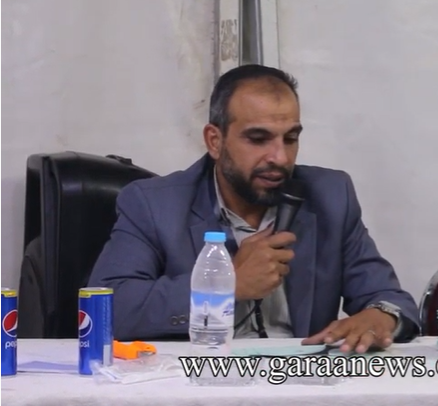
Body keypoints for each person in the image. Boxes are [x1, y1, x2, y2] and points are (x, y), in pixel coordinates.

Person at [88, 64, 419, 353]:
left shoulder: (331, 196)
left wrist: (381, 317)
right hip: (202, 382)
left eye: (290, 138)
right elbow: (110, 308)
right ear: (215, 141)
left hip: (301, 385)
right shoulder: (154, 204)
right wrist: (224, 285)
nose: (280, 158)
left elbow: (392, 299)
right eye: (258, 139)